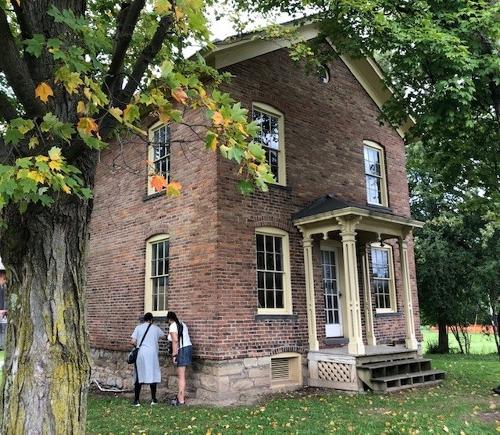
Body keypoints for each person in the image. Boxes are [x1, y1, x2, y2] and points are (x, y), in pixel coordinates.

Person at [131, 312, 165, 406]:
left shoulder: (138, 327)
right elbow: (164, 336)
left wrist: (138, 345)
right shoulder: (155, 328)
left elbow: (133, 341)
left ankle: (136, 400)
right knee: (152, 375)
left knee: (139, 375)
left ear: (144, 319)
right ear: (151, 320)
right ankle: (153, 399)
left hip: (141, 354)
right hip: (152, 354)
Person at [166, 311, 192, 406]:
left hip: (181, 350)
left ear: (169, 319)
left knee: (181, 376)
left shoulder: (173, 326)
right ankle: (179, 396)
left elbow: (175, 340)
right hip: (188, 347)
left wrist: (174, 355)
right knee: (182, 375)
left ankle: (181, 400)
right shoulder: (182, 324)